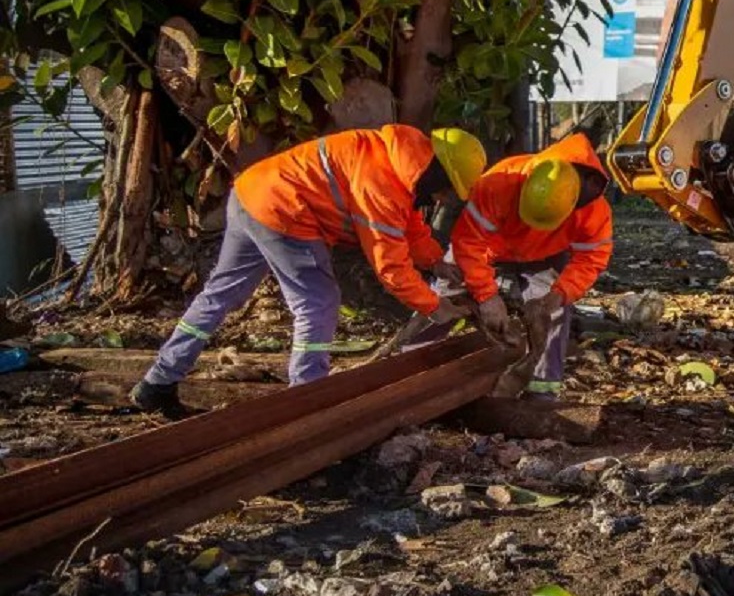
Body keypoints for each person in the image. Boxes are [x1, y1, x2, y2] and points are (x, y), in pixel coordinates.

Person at [132, 125, 496, 418]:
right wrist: (436, 307)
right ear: (438, 174)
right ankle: (307, 402)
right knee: (318, 302)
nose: (443, 200)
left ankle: (158, 382)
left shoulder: (395, 160)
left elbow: (410, 227)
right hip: (285, 212)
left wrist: (437, 262)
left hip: (251, 194)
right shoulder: (381, 185)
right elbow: (390, 268)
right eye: (447, 191)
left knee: (221, 294)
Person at [448, 132, 613, 398]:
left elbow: (591, 259)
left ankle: (541, 390)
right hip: (489, 250)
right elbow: (468, 242)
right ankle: (408, 362)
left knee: (554, 316)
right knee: (444, 292)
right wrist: (487, 296)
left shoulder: (594, 210)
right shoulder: (499, 182)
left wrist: (555, 298)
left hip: (545, 256)